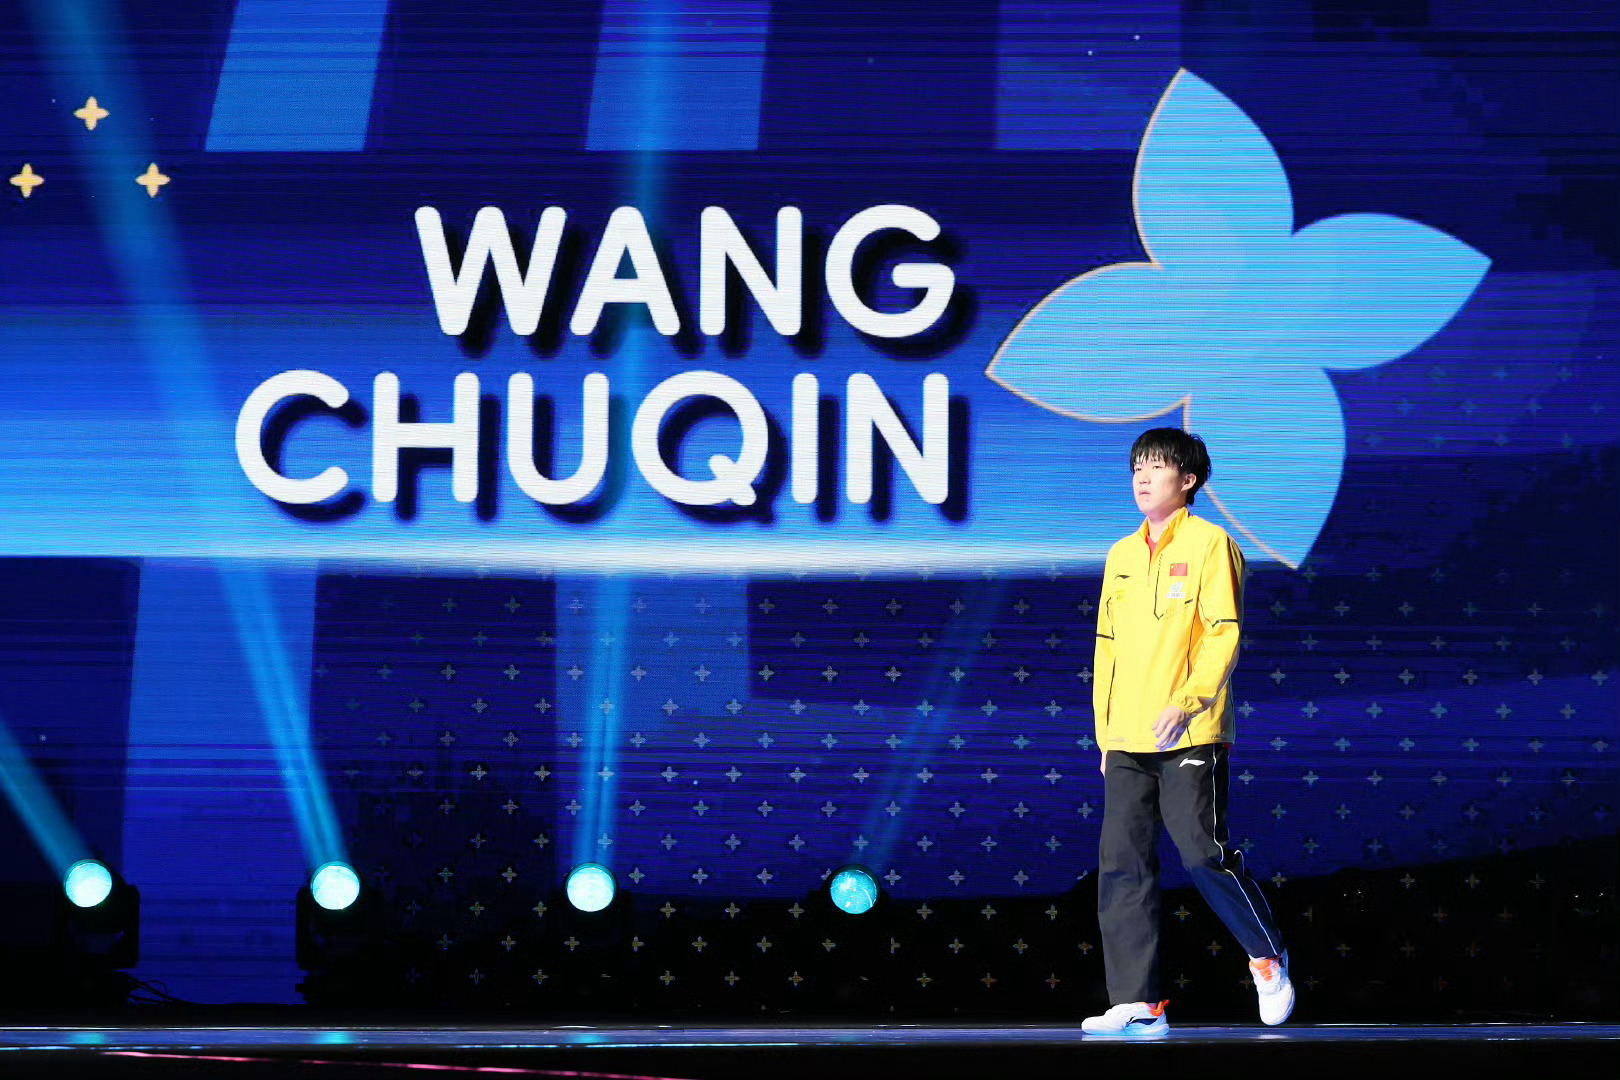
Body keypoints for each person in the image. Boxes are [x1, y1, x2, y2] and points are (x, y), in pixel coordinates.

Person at [1080, 427, 1294, 1037]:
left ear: (1189, 480)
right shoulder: (1121, 554)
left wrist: (1187, 702)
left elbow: (1223, 633)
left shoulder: (1210, 543)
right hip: (1127, 734)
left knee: (1202, 853)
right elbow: (1106, 647)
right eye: (1137, 468)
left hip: (1191, 730)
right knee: (1121, 862)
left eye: (1156, 467)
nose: (1143, 478)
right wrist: (1105, 732)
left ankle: (1266, 955)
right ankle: (1137, 1003)